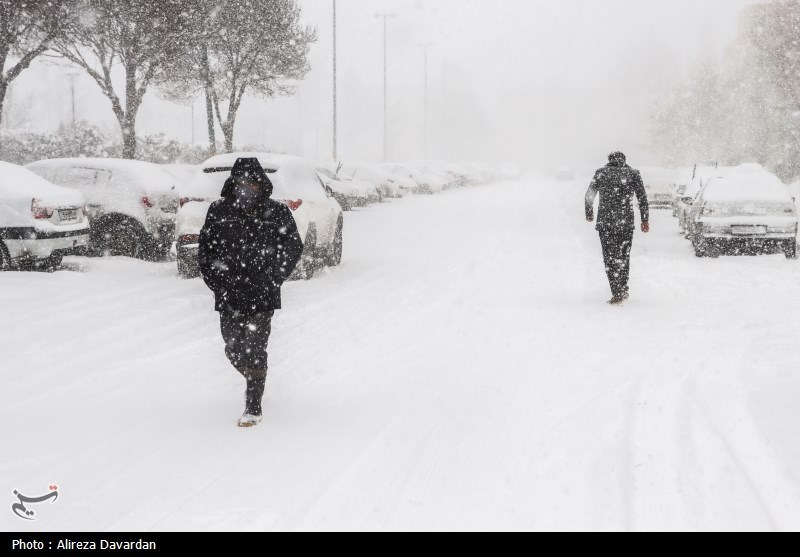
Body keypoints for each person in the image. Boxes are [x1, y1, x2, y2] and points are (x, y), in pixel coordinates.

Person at [198, 158, 304, 427]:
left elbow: (293, 246)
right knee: (233, 348)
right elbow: (206, 250)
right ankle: (255, 376)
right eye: (242, 183)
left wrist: (275, 277)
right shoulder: (219, 211)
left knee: (255, 347)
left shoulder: (276, 212)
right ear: (233, 184)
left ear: (261, 184)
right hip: (229, 294)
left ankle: (253, 405)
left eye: (253, 183)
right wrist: (217, 282)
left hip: (262, 293)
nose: (247, 189)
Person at [585, 151, 649, 305]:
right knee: (624, 256)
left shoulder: (601, 173)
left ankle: (616, 292)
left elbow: (589, 195)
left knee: (610, 258)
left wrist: (589, 212)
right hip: (625, 223)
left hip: (606, 223)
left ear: (609, 160)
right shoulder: (633, 174)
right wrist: (644, 219)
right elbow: (642, 197)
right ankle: (623, 288)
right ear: (624, 161)